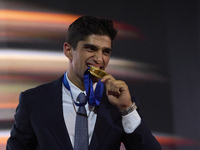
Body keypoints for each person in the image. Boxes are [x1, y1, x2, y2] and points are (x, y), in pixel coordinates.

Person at [6, 16, 161, 150]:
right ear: (68, 50)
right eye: (91, 49)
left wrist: (127, 110)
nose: (100, 59)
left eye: (106, 51)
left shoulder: (119, 103)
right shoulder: (34, 101)